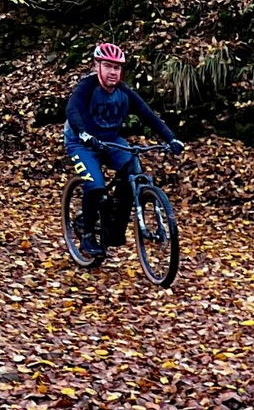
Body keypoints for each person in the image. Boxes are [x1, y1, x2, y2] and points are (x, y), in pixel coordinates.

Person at [65, 42, 184, 256]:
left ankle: (113, 228)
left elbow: (148, 115)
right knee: (95, 185)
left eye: (117, 67)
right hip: (81, 142)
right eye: (108, 66)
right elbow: (73, 109)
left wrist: (171, 138)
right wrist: (83, 133)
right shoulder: (87, 87)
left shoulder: (124, 91)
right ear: (97, 66)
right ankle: (87, 234)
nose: (113, 72)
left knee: (133, 172)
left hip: (111, 140)